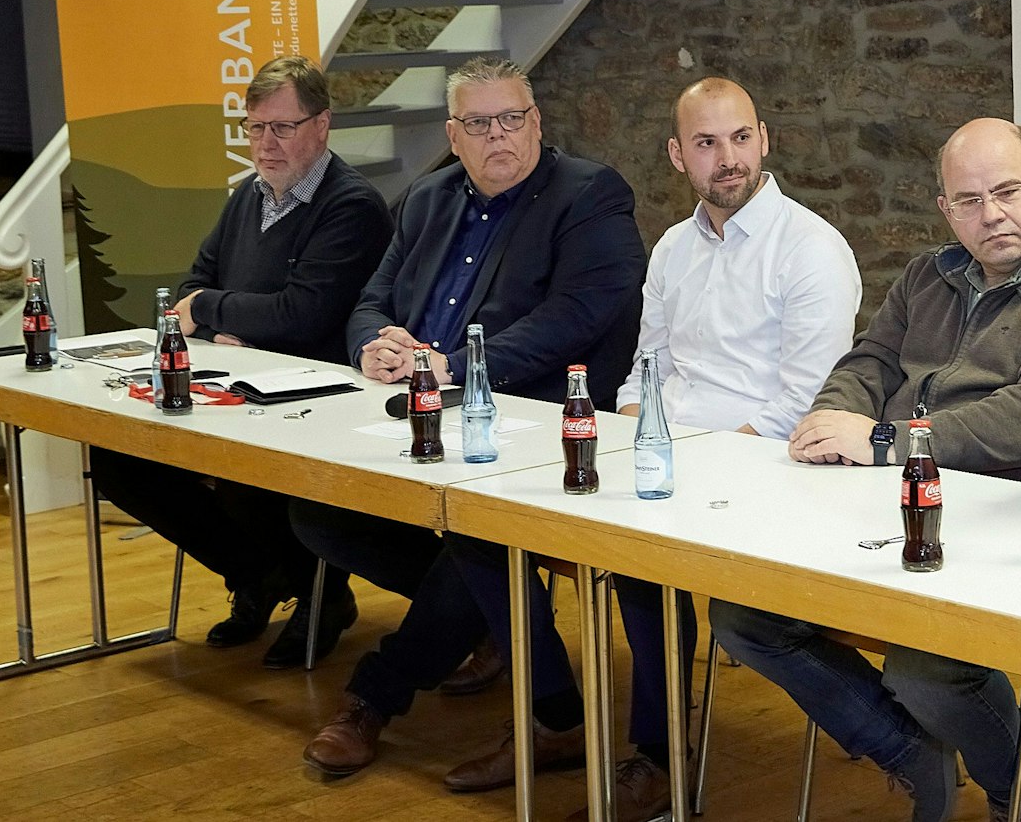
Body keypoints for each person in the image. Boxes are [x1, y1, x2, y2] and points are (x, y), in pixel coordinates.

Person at [710, 117, 1021, 822]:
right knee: (743, 611)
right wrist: (830, 424)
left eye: (1007, 191)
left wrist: (888, 439)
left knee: (925, 666)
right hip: (881, 506)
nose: (992, 214)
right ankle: (909, 749)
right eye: (968, 200)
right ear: (946, 209)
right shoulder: (927, 274)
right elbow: (868, 364)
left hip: (999, 522)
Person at [470, 76, 863, 821]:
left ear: (765, 139)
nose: (729, 159)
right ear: (678, 155)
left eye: (741, 138)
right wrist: (629, 434)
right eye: (708, 143)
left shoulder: (811, 249)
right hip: (666, 454)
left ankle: (657, 760)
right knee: (497, 521)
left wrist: (672, 461)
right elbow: (646, 366)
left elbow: (802, 408)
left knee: (640, 556)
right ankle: (558, 717)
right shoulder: (676, 248)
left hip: (765, 468)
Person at [296, 57, 647, 782]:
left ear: (537, 122)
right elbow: (373, 297)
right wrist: (376, 343)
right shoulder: (426, 199)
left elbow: (579, 315)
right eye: (480, 124)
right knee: (319, 513)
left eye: (512, 118)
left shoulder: (589, 194)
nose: (500, 136)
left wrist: (454, 367)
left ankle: (377, 696)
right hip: (415, 416)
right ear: (454, 136)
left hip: (534, 426)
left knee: (476, 544)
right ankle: (488, 624)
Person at [90, 56, 392, 668]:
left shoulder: (350, 206)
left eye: (282, 127)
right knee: (119, 458)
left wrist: (213, 309)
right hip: (237, 378)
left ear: (323, 125)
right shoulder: (247, 197)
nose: (266, 144)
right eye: (255, 128)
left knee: (245, 464)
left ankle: (320, 596)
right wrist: (220, 313)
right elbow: (192, 285)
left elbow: (300, 315)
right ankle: (261, 575)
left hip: (316, 396)